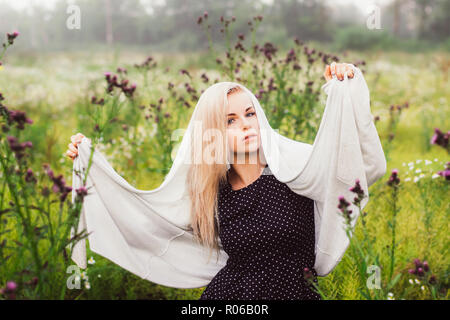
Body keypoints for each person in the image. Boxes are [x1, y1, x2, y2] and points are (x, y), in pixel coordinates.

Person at [66, 62, 381, 300]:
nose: (245, 126)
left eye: (249, 114)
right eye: (230, 121)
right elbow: (145, 221)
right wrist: (89, 164)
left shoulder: (294, 170)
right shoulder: (211, 191)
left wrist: (346, 90)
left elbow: (362, 169)